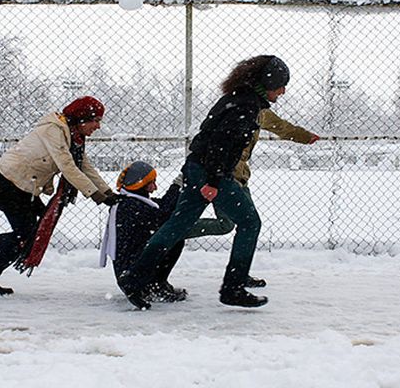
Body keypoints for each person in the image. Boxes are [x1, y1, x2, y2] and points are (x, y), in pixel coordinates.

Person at [118, 55, 293, 310]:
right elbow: (222, 145)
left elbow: (206, 137)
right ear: (266, 83)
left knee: (178, 225)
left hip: (196, 167)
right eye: (280, 85)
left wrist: (201, 175)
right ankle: (233, 287)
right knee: (249, 222)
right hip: (212, 172)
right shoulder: (245, 107)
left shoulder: (233, 99)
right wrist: (211, 181)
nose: (283, 91)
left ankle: (134, 278)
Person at [0, 96, 121, 295]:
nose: (98, 126)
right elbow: (68, 167)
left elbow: (85, 167)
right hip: (6, 183)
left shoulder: (74, 138)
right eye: (96, 120)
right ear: (82, 118)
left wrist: (108, 193)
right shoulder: (54, 130)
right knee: (25, 236)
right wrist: (98, 197)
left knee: (29, 236)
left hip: (25, 188)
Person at [185, 107, 320, 289]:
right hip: (223, 175)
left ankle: (239, 273)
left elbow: (280, 126)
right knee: (234, 224)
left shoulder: (259, 111)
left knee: (246, 224)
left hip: (238, 175)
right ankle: (175, 232)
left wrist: (304, 136)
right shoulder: (239, 108)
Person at [100, 161, 187, 303]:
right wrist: (176, 186)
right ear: (140, 184)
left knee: (169, 239)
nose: (155, 188)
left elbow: (161, 205)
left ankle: (155, 284)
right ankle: (153, 287)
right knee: (171, 239)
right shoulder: (132, 207)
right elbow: (163, 213)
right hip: (130, 274)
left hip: (129, 267)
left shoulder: (129, 202)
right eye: (152, 183)